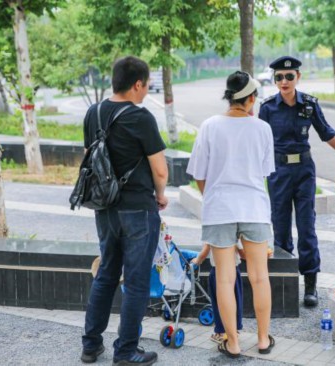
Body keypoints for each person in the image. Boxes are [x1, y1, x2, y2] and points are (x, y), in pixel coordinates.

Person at [80, 56, 168, 366]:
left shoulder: (94, 113)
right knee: (136, 281)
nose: (146, 93)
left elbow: (90, 158)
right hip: (138, 209)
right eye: (146, 86)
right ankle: (127, 350)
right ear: (137, 84)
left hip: (104, 208)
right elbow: (159, 169)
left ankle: (90, 345)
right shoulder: (141, 117)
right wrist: (161, 196)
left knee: (106, 274)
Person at [187, 71, 275, 358]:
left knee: (225, 277)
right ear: (250, 98)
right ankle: (263, 339)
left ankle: (233, 342)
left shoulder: (210, 126)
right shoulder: (262, 128)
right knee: (260, 277)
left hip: (219, 209)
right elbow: (263, 174)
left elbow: (199, 175)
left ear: (229, 97)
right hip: (254, 207)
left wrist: (212, 195)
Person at [258, 56, 335, 307]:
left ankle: (310, 285)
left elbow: (327, 133)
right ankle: (284, 283)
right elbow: (259, 143)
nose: (283, 81)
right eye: (278, 77)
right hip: (278, 172)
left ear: (298, 77)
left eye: (289, 76)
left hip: (304, 172)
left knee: (307, 229)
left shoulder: (309, 104)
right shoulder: (267, 108)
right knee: (281, 228)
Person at [191, 243, 244, 344]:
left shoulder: (214, 228)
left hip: (218, 270)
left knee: (219, 302)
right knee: (236, 300)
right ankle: (234, 330)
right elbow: (242, 252)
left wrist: (197, 260)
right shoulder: (236, 228)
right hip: (234, 270)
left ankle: (222, 332)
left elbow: (206, 249)